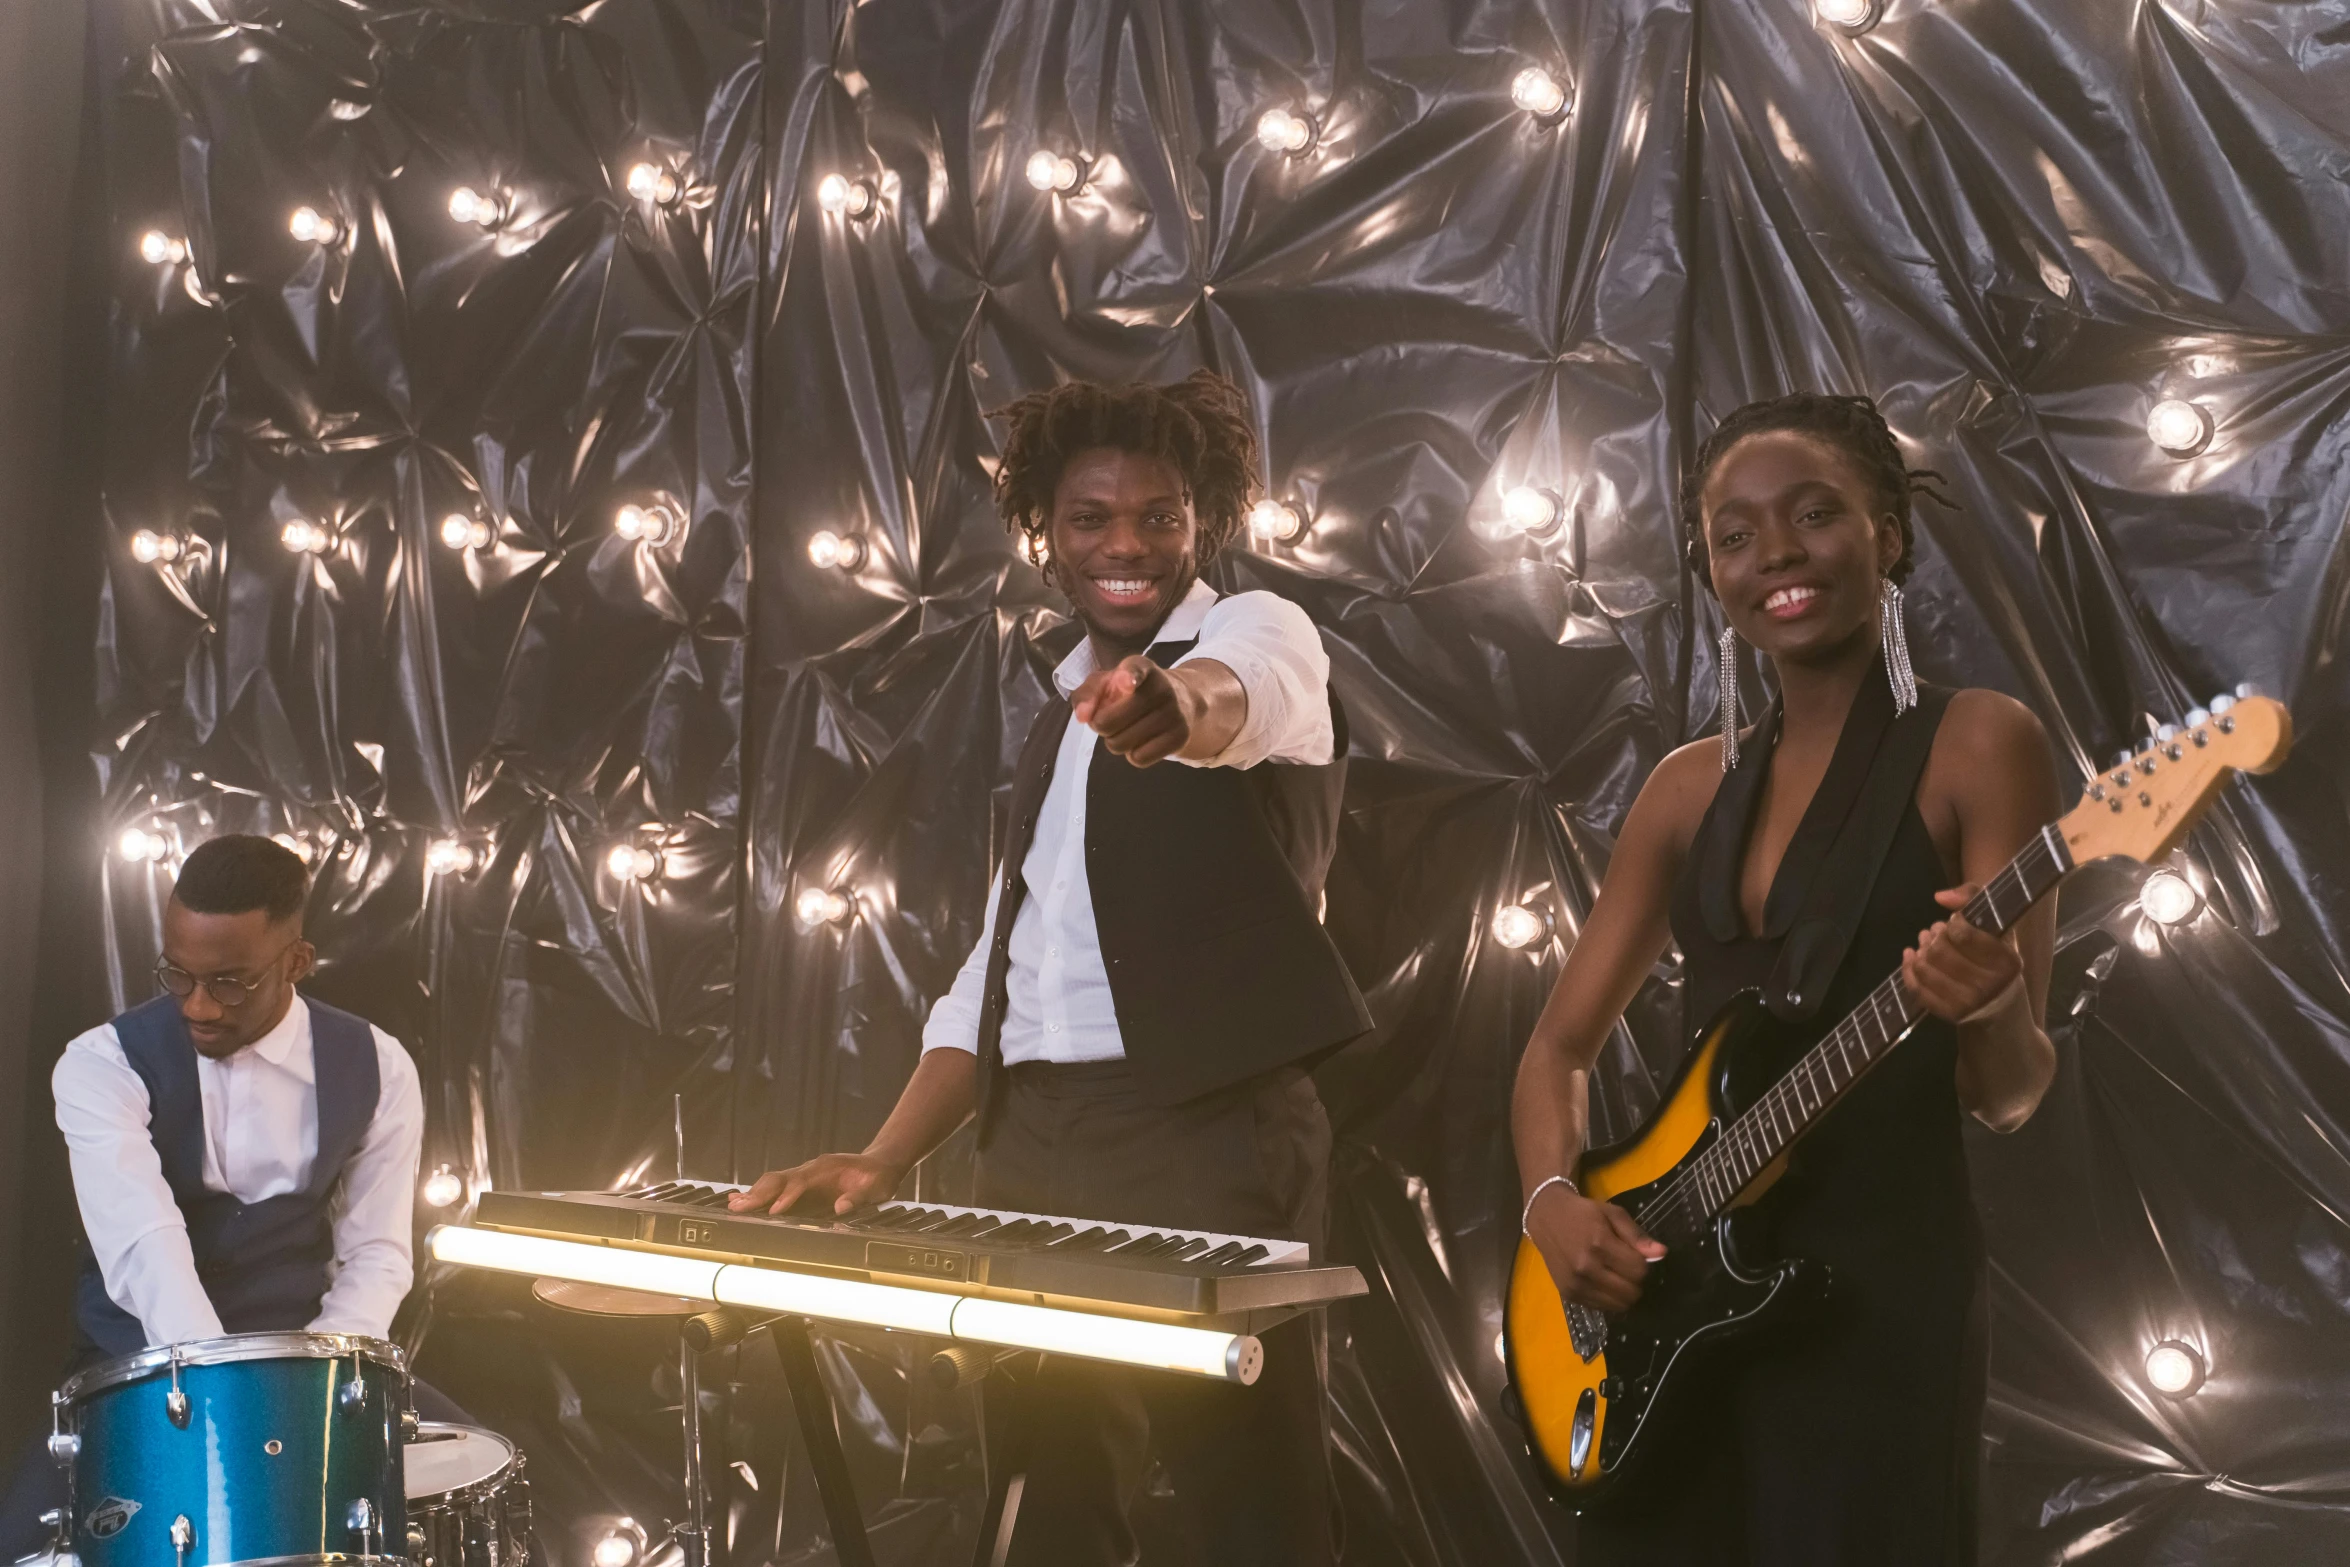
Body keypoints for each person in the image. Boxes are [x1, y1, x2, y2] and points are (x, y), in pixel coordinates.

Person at [733, 370, 1371, 1566]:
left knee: (1252, 1498)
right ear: (1046, 532)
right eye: (1091, 518)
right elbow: (999, 964)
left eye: (1159, 517)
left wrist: (1173, 703)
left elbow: (1243, 695)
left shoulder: (1255, 630)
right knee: (1046, 1493)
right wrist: (883, 1155)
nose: (1126, 544)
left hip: (1208, 1128)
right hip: (1029, 1141)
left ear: (1203, 524)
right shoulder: (1053, 713)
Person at [1510, 394, 2059, 1564]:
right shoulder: (1680, 789)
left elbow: (2008, 1095)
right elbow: (1554, 1051)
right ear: (1710, 570)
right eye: (1736, 535)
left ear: (1888, 533)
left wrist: (1995, 1001)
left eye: (1815, 514)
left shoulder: (1981, 741)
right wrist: (1550, 1204)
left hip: (1878, 1291)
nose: (1777, 556)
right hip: (1673, 1294)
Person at [0, 834, 431, 1558]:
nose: (197, 1004)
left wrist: (320, 1391)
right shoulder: (99, 1063)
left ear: (296, 962)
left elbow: (378, 1256)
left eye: (229, 981)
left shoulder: (380, 1066)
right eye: (178, 974)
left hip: (317, 1371)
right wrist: (234, 1400)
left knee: (484, 1486)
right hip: (139, 1376)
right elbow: (147, 1252)